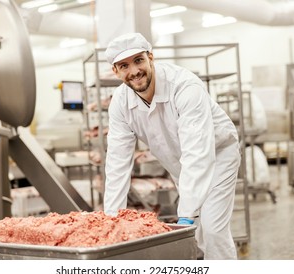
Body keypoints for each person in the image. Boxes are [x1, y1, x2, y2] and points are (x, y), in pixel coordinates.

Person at [103, 32, 241, 260]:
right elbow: (117, 162)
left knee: (214, 229)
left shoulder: (185, 86)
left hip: (217, 157)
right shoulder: (120, 103)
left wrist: (186, 216)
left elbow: (198, 153)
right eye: (124, 65)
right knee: (199, 234)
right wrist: (111, 219)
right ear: (115, 72)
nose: (134, 71)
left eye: (139, 60)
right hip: (179, 165)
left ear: (151, 57)